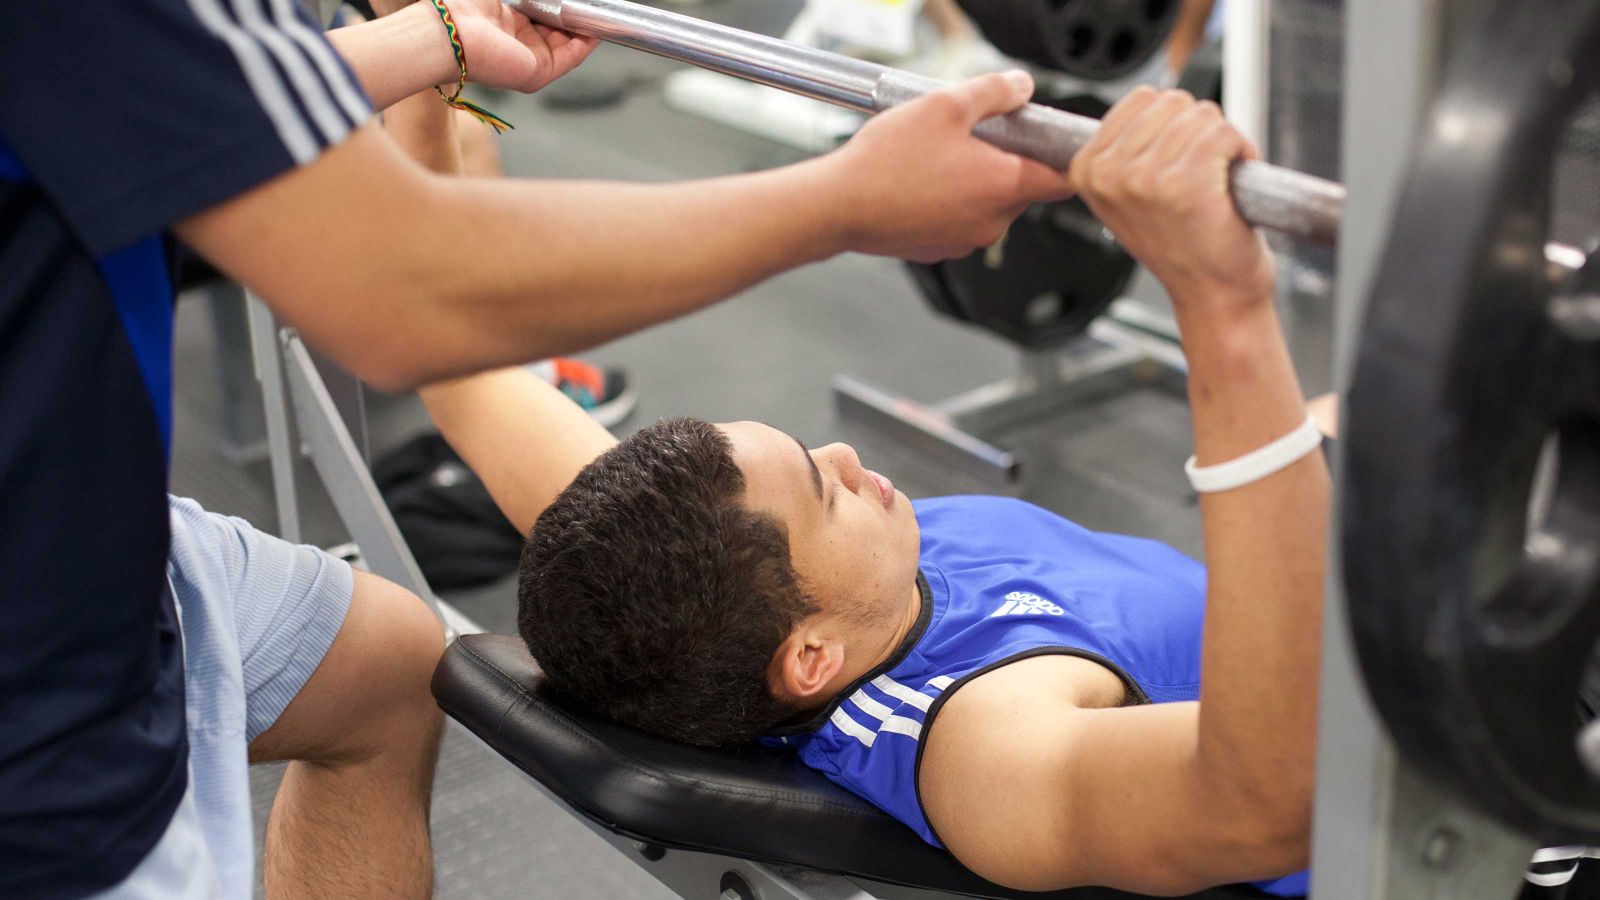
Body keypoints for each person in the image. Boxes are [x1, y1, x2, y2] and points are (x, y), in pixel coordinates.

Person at [0, 1, 1069, 897]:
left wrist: (438, 39)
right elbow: (402, 296)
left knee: (380, 661)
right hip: (38, 699)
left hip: (107, 522)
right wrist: (849, 201)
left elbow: (167, 97)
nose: (841, 458)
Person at [419, 86, 1326, 896]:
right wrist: (1223, 306)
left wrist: (431, 64)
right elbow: (1262, 804)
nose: (848, 455)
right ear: (812, 656)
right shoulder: (979, 738)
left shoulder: (657, 569)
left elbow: (457, 359)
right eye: (825, 492)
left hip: (1330, 633)